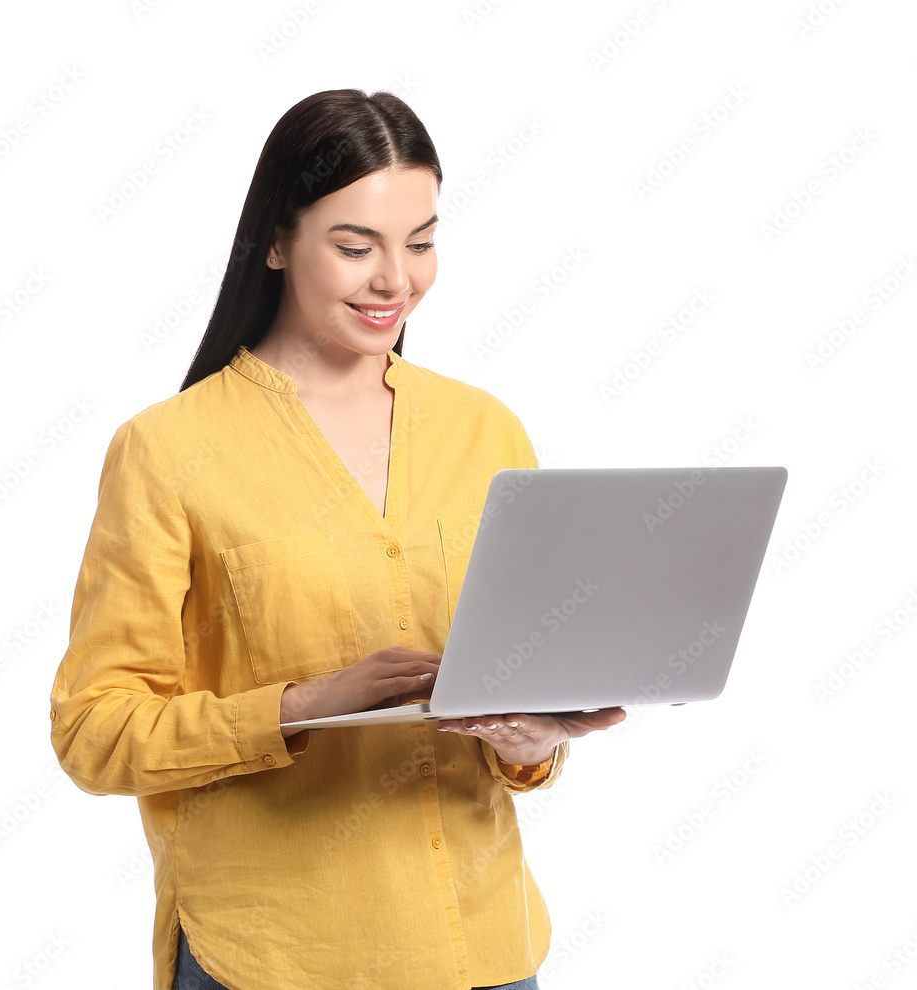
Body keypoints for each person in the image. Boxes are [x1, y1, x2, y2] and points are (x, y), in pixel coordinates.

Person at [49, 88, 625, 990]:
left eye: (422, 241)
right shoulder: (165, 452)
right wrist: (305, 703)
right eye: (356, 246)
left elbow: (519, 683)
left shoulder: (488, 431)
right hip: (277, 958)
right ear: (277, 242)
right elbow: (94, 732)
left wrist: (528, 741)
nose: (396, 279)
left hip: (488, 951)